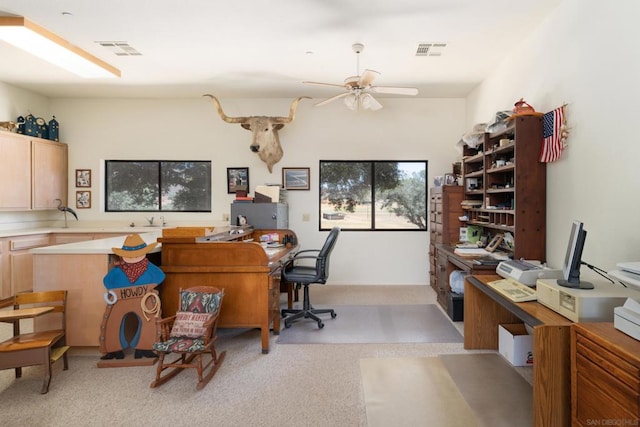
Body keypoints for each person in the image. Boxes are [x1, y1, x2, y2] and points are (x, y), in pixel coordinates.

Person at [99, 234, 165, 360]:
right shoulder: (119, 269)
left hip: (143, 298)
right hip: (121, 299)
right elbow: (107, 280)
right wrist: (113, 291)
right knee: (114, 321)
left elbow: (160, 276)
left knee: (148, 320)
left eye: (138, 254)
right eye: (130, 255)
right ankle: (113, 349)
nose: (134, 257)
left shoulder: (148, 267)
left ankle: (144, 347)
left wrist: (150, 287)